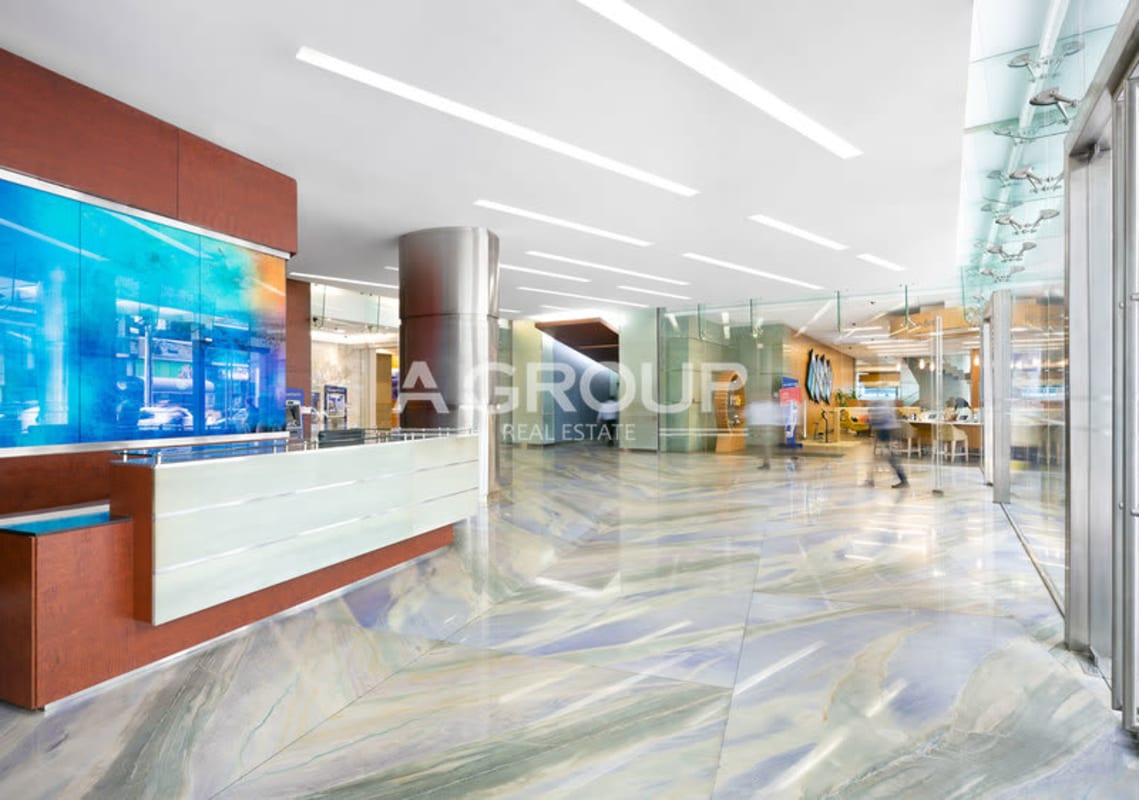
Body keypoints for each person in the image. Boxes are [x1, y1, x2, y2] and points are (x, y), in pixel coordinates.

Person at [868, 399, 908, 488]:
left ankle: (903, 480)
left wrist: (871, 422)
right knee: (886, 456)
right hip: (887, 430)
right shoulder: (884, 403)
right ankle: (870, 480)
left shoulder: (878, 403)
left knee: (890, 457)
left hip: (885, 431)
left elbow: (881, 418)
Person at [747, 393, 783, 469]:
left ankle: (766, 463)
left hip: (767, 431)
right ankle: (766, 463)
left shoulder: (769, 407)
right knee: (765, 448)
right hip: (767, 431)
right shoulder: (770, 406)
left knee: (766, 448)